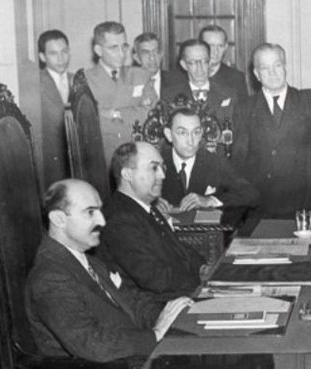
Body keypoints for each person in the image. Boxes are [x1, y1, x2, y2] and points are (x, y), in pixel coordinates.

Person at [25, 179, 192, 362]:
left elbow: (134, 304)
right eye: (90, 212)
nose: (102, 221)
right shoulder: (49, 277)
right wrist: (156, 334)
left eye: (100, 211)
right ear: (58, 219)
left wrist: (175, 318)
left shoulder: (91, 262)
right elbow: (91, 344)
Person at [96, 142, 205, 302]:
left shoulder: (146, 206)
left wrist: (204, 268)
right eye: (154, 168)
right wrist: (204, 282)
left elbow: (180, 251)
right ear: (127, 174)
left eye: (162, 168)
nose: (162, 175)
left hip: (179, 293)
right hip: (160, 305)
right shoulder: (119, 218)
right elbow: (156, 278)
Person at [233, 43, 311, 218]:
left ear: (285, 67)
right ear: (256, 74)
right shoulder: (245, 108)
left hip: (305, 203)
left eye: (277, 65)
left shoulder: (309, 100)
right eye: (265, 68)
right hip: (261, 206)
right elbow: (239, 159)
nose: (272, 73)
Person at [158, 107, 259, 225]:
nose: (190, 141)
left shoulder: (215, 162)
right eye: (182, 133)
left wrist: (210, 200)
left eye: (196, 132)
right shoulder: (156, 162)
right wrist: (149, 201)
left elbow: (251, 193)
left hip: (205, 236)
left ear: (201, 133)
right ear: (169, 134)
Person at [84, 21, 156, 163]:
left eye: (124, 46)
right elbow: (86, 121)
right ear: (98, 50)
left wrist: (117, 114)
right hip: (101, 156)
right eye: (113, 48)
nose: (122, 54)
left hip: (136, 153)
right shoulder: (85, 80)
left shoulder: (140, 75)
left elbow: (152, 112)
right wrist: (133, 111)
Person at [163, 39, 241, 154]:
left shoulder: (229, 94)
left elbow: (238, 136)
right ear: (184, 65)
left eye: (204, 61)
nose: (200, 68)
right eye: (193, 62)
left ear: (210, 62)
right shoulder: (169, 96)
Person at [38, 29, 72, 188]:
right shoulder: (34, 84)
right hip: (51, 164)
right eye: (53, 53)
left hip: (79, 161)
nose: (60, 58)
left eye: (64, 51)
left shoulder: (80, 80)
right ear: (42, 57)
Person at [199, 25, 249, 99]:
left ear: (225, 47)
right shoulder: (183, 76)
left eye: (220, 46)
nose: (215, 51)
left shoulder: (236, 78)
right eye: (210, 46)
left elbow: (243, 109)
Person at [133, 32, 182, 100]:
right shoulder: (129, 85)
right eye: (146, 53)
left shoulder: (177, 81)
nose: (152, 57)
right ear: (137, 58)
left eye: (156, 52)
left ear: (161, 54)